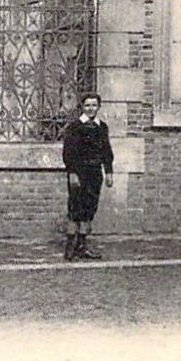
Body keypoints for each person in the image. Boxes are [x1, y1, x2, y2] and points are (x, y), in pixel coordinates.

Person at [62, 93, 114, 261]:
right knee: (75, 209)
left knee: (89, 209)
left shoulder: (102, 127)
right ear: (82, 107)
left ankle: (82, 246)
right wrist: (72, 173)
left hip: (95, 173)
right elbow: (68, 153)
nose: (91, 109)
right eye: (87, 105)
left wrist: (109, 172)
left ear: (98, 107)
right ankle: (70, 248)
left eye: (94, 105)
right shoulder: (74, 127)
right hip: (79, 173)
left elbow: (106, 151)